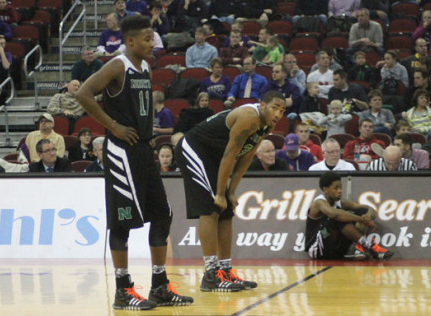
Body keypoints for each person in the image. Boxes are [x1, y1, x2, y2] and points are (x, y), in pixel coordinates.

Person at [75, 15, 193, 310]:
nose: (152, 42)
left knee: (162, 214)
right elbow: (83, 94)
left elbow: (147, 105)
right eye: (146, 38)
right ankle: (122, 289)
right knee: (123, 223)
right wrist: (113, 126)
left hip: (142, 148)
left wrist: (149, 132)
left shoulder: (146, 67)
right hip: (120, 151)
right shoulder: (118, 64)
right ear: (129, 41)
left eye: (152, 37)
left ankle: (159, 286)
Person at [174, 90, 286, 292]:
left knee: (226, 213)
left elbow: (247, 156)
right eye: (274, 108)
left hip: (213, 156)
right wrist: (219, 193)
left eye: (282, 110)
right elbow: (229, 155)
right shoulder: (249, 117)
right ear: (262, 105)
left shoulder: (267, 125)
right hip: (194, 148)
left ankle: (224, 271)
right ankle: (210, 275)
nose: (278, 114)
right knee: (211, 208)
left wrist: (231, 191)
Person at [305, 171, 393, 260]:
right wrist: (362, 220)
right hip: (318, 249)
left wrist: (367, 217)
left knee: (361, 211)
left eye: (341, 187)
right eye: (336, 188)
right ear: (325, 189)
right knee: (338, 217)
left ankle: (356, 247)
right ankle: (369, 246)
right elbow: (333, 214)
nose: (340, 191)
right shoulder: (319, 202)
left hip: (335, 250)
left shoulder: (340, 203)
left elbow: (370, 209)